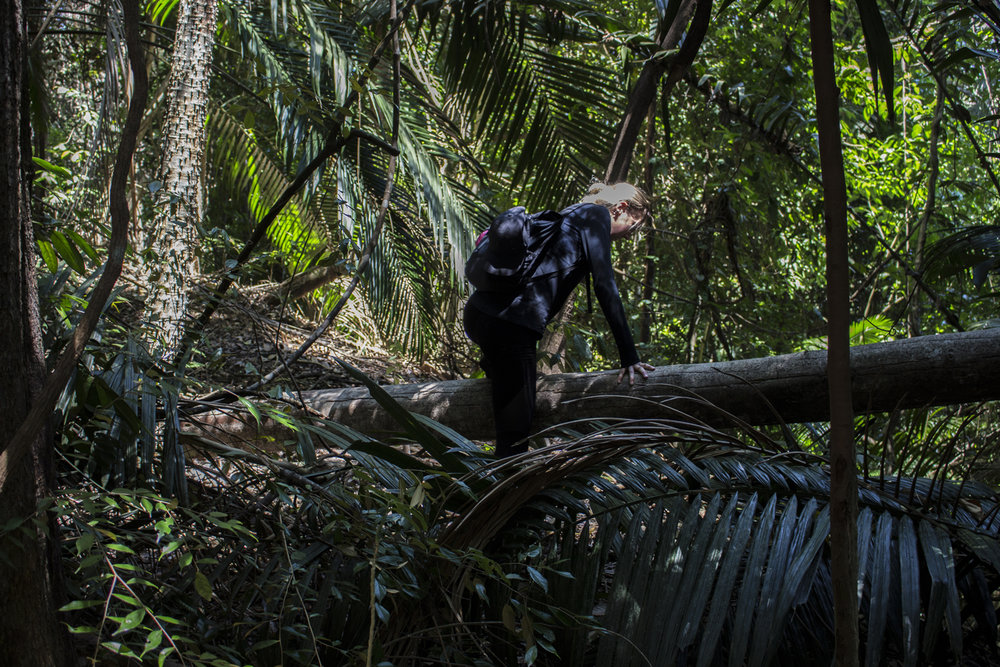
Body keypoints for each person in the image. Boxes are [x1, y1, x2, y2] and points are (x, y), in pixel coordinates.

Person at [463, 182, 656, 457]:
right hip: (510, 328)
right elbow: (605, 285)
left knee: (509, 395)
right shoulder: (596, 216)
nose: (629, 235)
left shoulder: (573, 213)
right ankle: (501, 496)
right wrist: (630, 357)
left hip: (479, 315)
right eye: (634, 226)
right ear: (621, 208)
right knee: (514, 440)